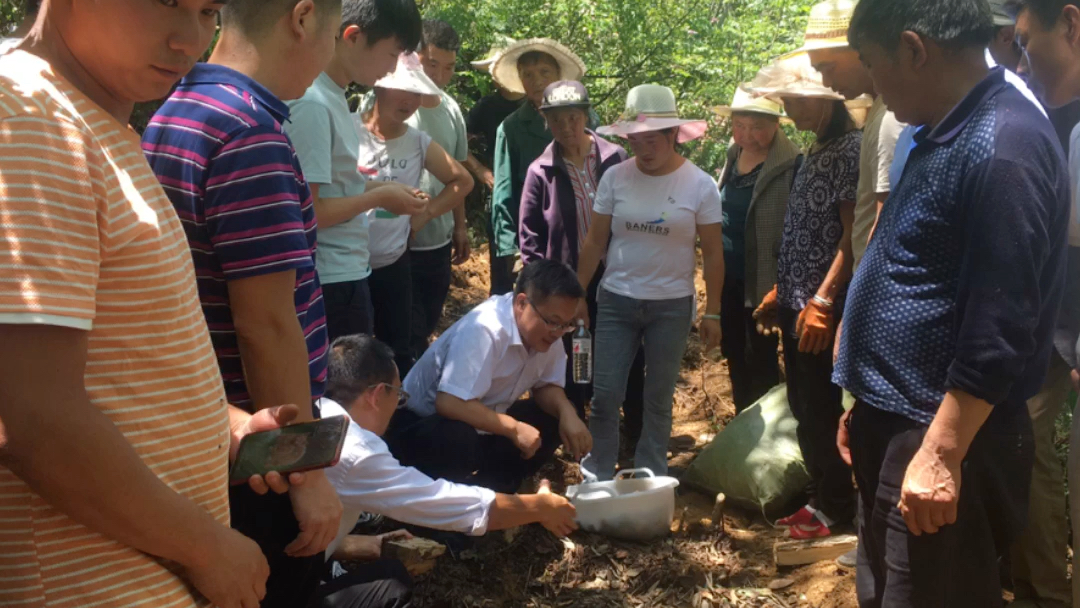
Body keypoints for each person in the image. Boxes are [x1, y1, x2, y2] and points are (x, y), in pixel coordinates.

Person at [0, 0, 322, 606]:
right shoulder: (29, 117)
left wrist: (223, 425)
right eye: (166, 3)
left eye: (205, 11)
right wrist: (205, 546)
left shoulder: (94, 117)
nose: (189, 41)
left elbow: (113, 360)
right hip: (92, 580)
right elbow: (29, 417)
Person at [834, 0, 1070, 605]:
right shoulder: (944, 128)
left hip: (941, 435)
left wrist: (941, 452)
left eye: (870, 63)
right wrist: (865, 402)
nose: (873, 84)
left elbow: (1002, 319)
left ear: (914, 49)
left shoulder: (1003, 144)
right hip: (899, 420)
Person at [141, 1, 349, 605]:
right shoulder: (249, 133)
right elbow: (267, 323)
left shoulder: (177, 107)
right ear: (303, 18)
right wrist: (304, 471)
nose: (331, 53)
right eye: (334, 34)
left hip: (203, 423)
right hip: (257, 456)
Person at [309, 334, 580, 607]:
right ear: (378, 395)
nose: (398, 405)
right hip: (282, 591)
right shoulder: (357, 452)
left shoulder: (314, 416)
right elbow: (448, 503)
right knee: (391, 584)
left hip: (281, 570)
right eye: (399, 395)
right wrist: (540, 506)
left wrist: (369, 545)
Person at [577, 84, 725, 481]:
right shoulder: (615, 178)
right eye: (636, 140)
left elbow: (712, 251)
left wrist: (713, 310)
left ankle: (650, 478)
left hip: (671, 305)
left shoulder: (700, 185)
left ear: (674, 135)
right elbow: (595, 241)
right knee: (606, 394)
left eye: (653, 140)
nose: (644, 149)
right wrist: (578, 293)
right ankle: (597, 476)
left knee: (657, 399)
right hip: (617, 299)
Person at [750, 52, 862, 539]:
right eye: (787, 101)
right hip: (800, 302)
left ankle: (835, 506)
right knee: (803, 403)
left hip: (821, 307)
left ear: (826, 100)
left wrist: (823, 300)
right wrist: (785, 288)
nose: (791, 112)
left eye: (798, 101)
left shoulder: (850, 149)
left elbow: (852, 234)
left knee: (820, 406)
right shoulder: (816, 149)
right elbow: (803, 230)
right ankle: (823, 497)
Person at [384, 259, 593, 494]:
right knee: (458, 436)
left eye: (567, 325)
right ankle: (439, 504)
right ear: (522, 303)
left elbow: (546, 386)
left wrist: (567, 413)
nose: (558, 333)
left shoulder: (547, 333)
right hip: (422, 426)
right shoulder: (484, 329)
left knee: (555, 416)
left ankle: (494, 489)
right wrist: (514, 429)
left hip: (486, 421)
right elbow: (450, 402)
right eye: (553, 322)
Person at [285, 0, 426, 344]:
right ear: (353, 37)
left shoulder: (333, 96)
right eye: (391, 54)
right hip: (330, 279)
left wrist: (378, 189)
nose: (392, 67)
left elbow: (333, 185)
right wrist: (377, 195)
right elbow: (309, 211)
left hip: (346, 272)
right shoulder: (313, 104)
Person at [517, 80, 644, 425]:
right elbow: (530, 238)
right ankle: (575, 426)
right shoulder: (540, 171)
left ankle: (634, 423)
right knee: (575, 354)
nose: (566, 127)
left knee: (627, 347)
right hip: (567, 280)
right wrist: (544, 287)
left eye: (572, 117)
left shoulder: (614, 158)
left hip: (618, 272)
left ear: (585, 116)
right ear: (547, 122)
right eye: (556, 120)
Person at [1010, 4, 1080, 608]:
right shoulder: (1031, 118)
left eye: (1028, 42)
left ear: (1072, 25)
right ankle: (1047, 593)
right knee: (1025, 442)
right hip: (1044, 319)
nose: (1020, 58)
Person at [357, 52, 472, 376]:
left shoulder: (418, 142)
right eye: (401, 90)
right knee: (352, 352)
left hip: (394, 263)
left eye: (417, 92)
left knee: (398, 349)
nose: (410, 100)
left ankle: (397, 418)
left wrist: (425, 214)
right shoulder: (349, 131)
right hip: (347, 266)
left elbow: (462, 180)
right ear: (378, 87)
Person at [714, 88, 801, 413]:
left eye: (757, 126)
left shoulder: (791, 163)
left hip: (765, 276)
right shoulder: (733, 153)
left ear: (777, 124)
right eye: (740, 125)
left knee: (760, 353)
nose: (747, 134)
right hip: (728, 274)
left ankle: (761, 428)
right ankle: (741, 421)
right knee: (734, 348)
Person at [490, 38, 588, 295]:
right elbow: (504, 192)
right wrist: (512, 250)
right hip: (536, 239)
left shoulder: (585, 118)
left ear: (558, 75)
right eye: (528, 75)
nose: (536, 80)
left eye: (544, 72)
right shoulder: (511, 128)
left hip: (584, 237)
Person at [408, 19, 476, 360]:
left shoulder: (451, 110)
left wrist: (460, 226)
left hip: (437, 239)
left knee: (426, 322)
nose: (439, 76)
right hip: (393, 240)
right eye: (431, 64)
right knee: (400, 326)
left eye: (448, 68)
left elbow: (458, 176)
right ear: (414, 57)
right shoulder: (389, 101)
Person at [467, 36, 526, 295]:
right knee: (502, 271)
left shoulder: (535, 103)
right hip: (502, 196)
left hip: (538, 196)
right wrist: (481, 171)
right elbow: (458, 143)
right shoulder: (486, 106)